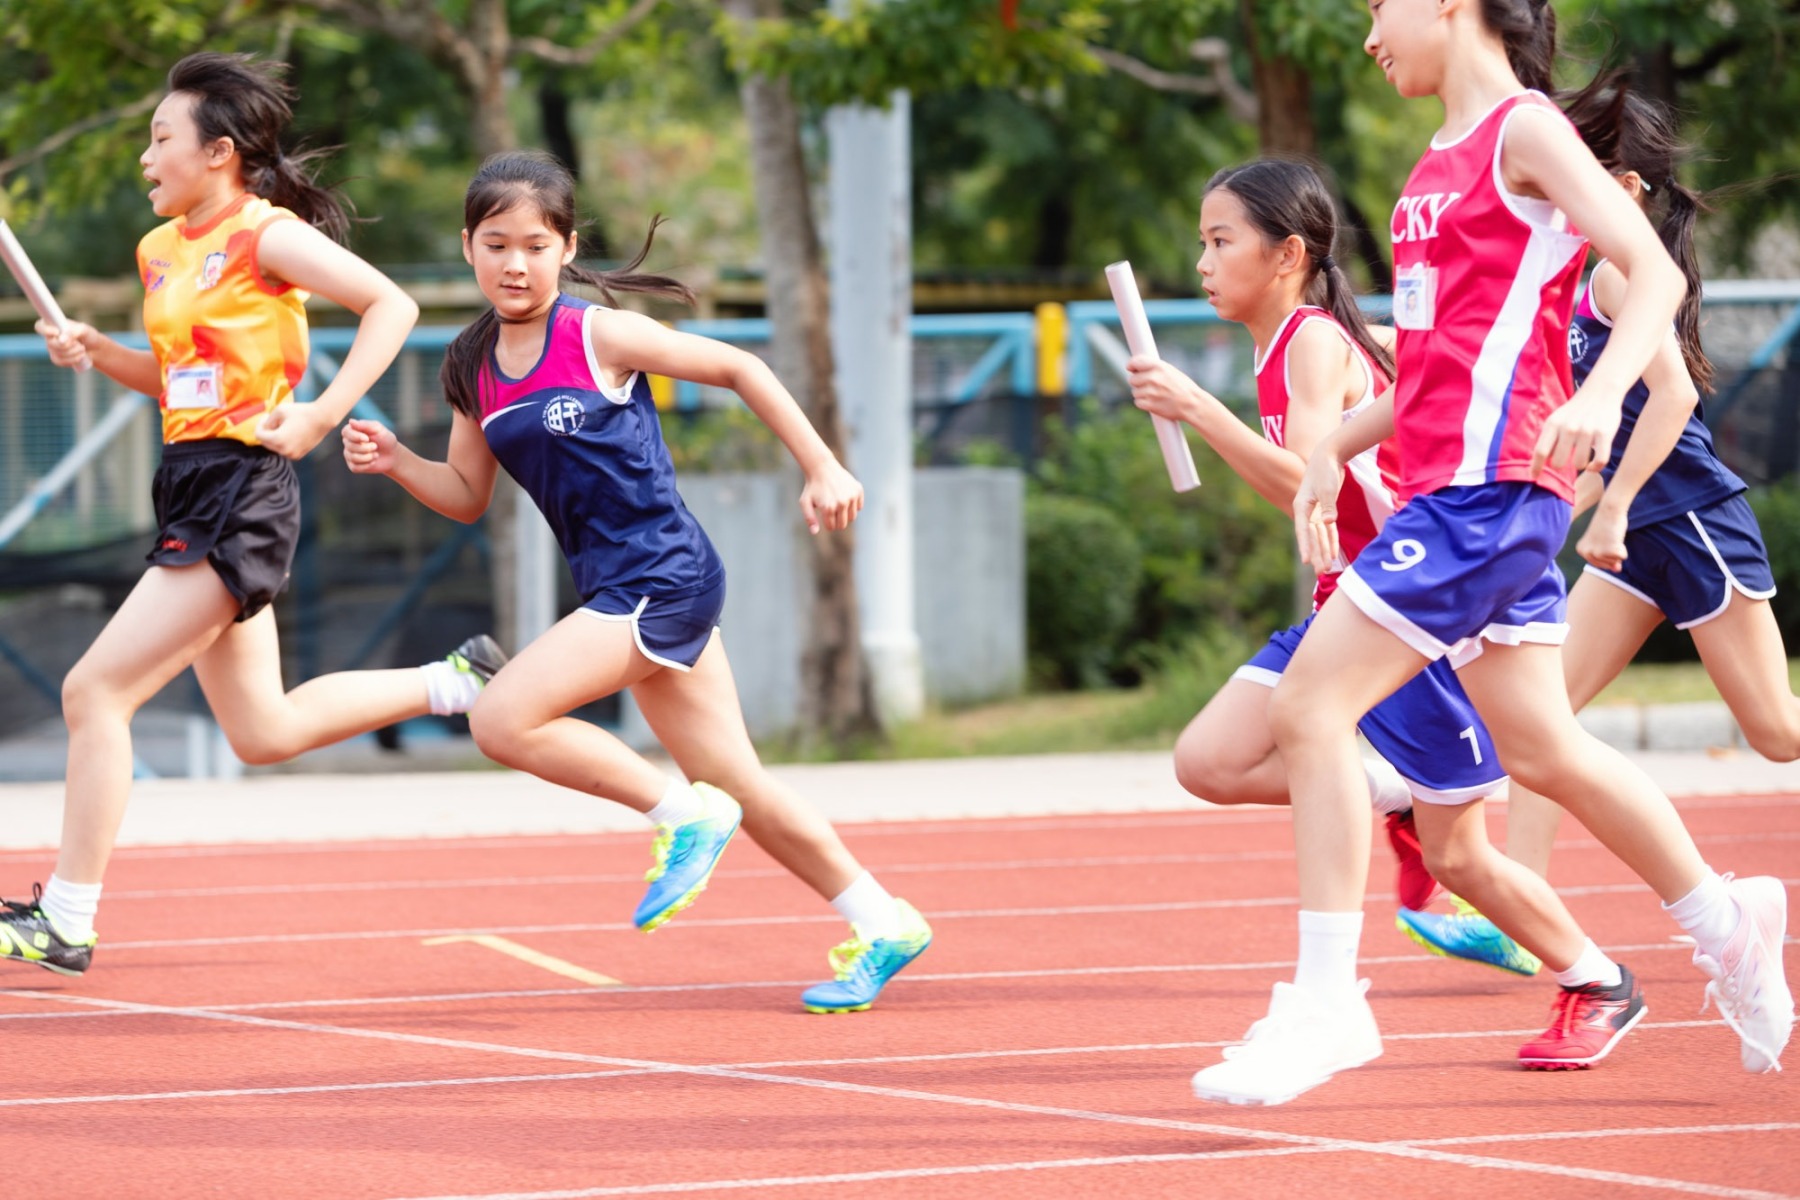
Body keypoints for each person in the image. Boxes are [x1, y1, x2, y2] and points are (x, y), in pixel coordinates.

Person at [1194, 0, 1792, 1106]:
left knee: (1310, 706)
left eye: (1380, 5)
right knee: (1546, 751)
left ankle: (1327, 1005)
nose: (1369, 34)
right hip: (1461, 497)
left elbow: (1654, 279)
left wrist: (1601, 397)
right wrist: (1332, 450)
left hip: (1491, 497)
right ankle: (1728, 917)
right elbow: (1431, 371)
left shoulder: (1524, 130)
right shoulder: (1428, 173)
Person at [341, 150, 931, 1013]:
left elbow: (741, 368)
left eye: (536, 246)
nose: (515, 264)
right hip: (619, 590)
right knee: (739, 785)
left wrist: (823, 465)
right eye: (496, 244)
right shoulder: (472, 367)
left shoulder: (596, 335)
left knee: (501, 718)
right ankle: (883, 921)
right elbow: (467, 495)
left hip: (663, 576)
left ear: (567, 248)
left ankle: (679, 815)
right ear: (467, 247)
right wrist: (397, 461)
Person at [0, 53, 501, 979]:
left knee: (93, 693)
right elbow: (178, 383)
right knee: (262, 732)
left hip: (244, 488)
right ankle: (456, 681)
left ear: (218, 152)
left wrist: (320, 414)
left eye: (161, 138)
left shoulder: (264, 234)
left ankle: (66, 918)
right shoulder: (158, 250)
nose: (145, 157)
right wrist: (99, 349)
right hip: (188, 478)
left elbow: (391, 304)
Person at [1128, 158, 1541, 982]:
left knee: (1464, 856)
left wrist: (1197, 408)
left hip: (1396, 611)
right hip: (1341, 602)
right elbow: (1311, 483)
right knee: (1207, 762)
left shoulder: (1312, 341)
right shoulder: (1290, 344)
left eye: (1221, 241)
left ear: (1288, 254)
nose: (1202, 262)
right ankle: (1391, 794)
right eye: (1202, 242)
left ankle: (1600, 967)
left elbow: (1301, 476)